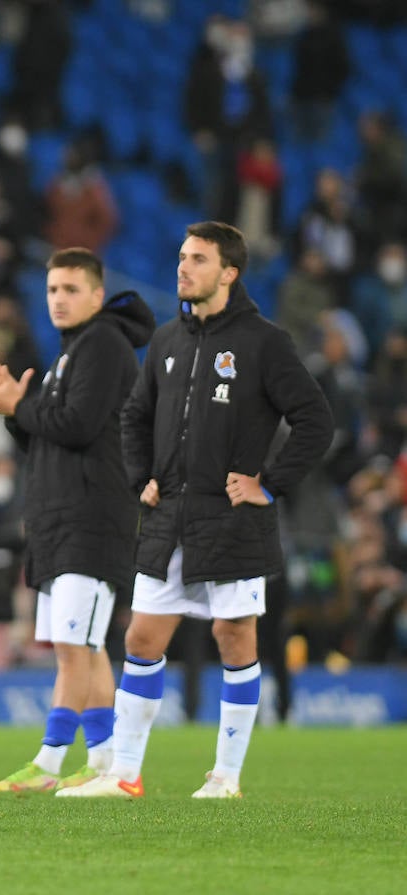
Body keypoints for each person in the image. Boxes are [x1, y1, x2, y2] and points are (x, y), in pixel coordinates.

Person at [61, 222, 332, 799]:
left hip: (233, 518)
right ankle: (124, 775)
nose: (183, 267)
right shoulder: (167, 341)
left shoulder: (264, 342)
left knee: (234, 639)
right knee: (141, 639)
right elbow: (135, 415)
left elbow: (315, 420)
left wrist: (269, 484)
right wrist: (142, 477)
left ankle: (225, 777)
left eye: (199, 259)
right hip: (169, 518)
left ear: (229, 272)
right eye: (182, 257)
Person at [0, 248, 155, 793]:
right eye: (52, 290)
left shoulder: (104, 345)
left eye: (71, 289)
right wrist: (16, 412)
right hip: (61, 519)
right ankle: (105, 762)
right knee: (84, 646)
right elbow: (49, 434)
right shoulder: (72, 352)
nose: (59, 300)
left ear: (97, 295)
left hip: (91, 519)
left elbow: (75, 424)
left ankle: (48, 764)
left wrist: (20, 408)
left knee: (75, 646)